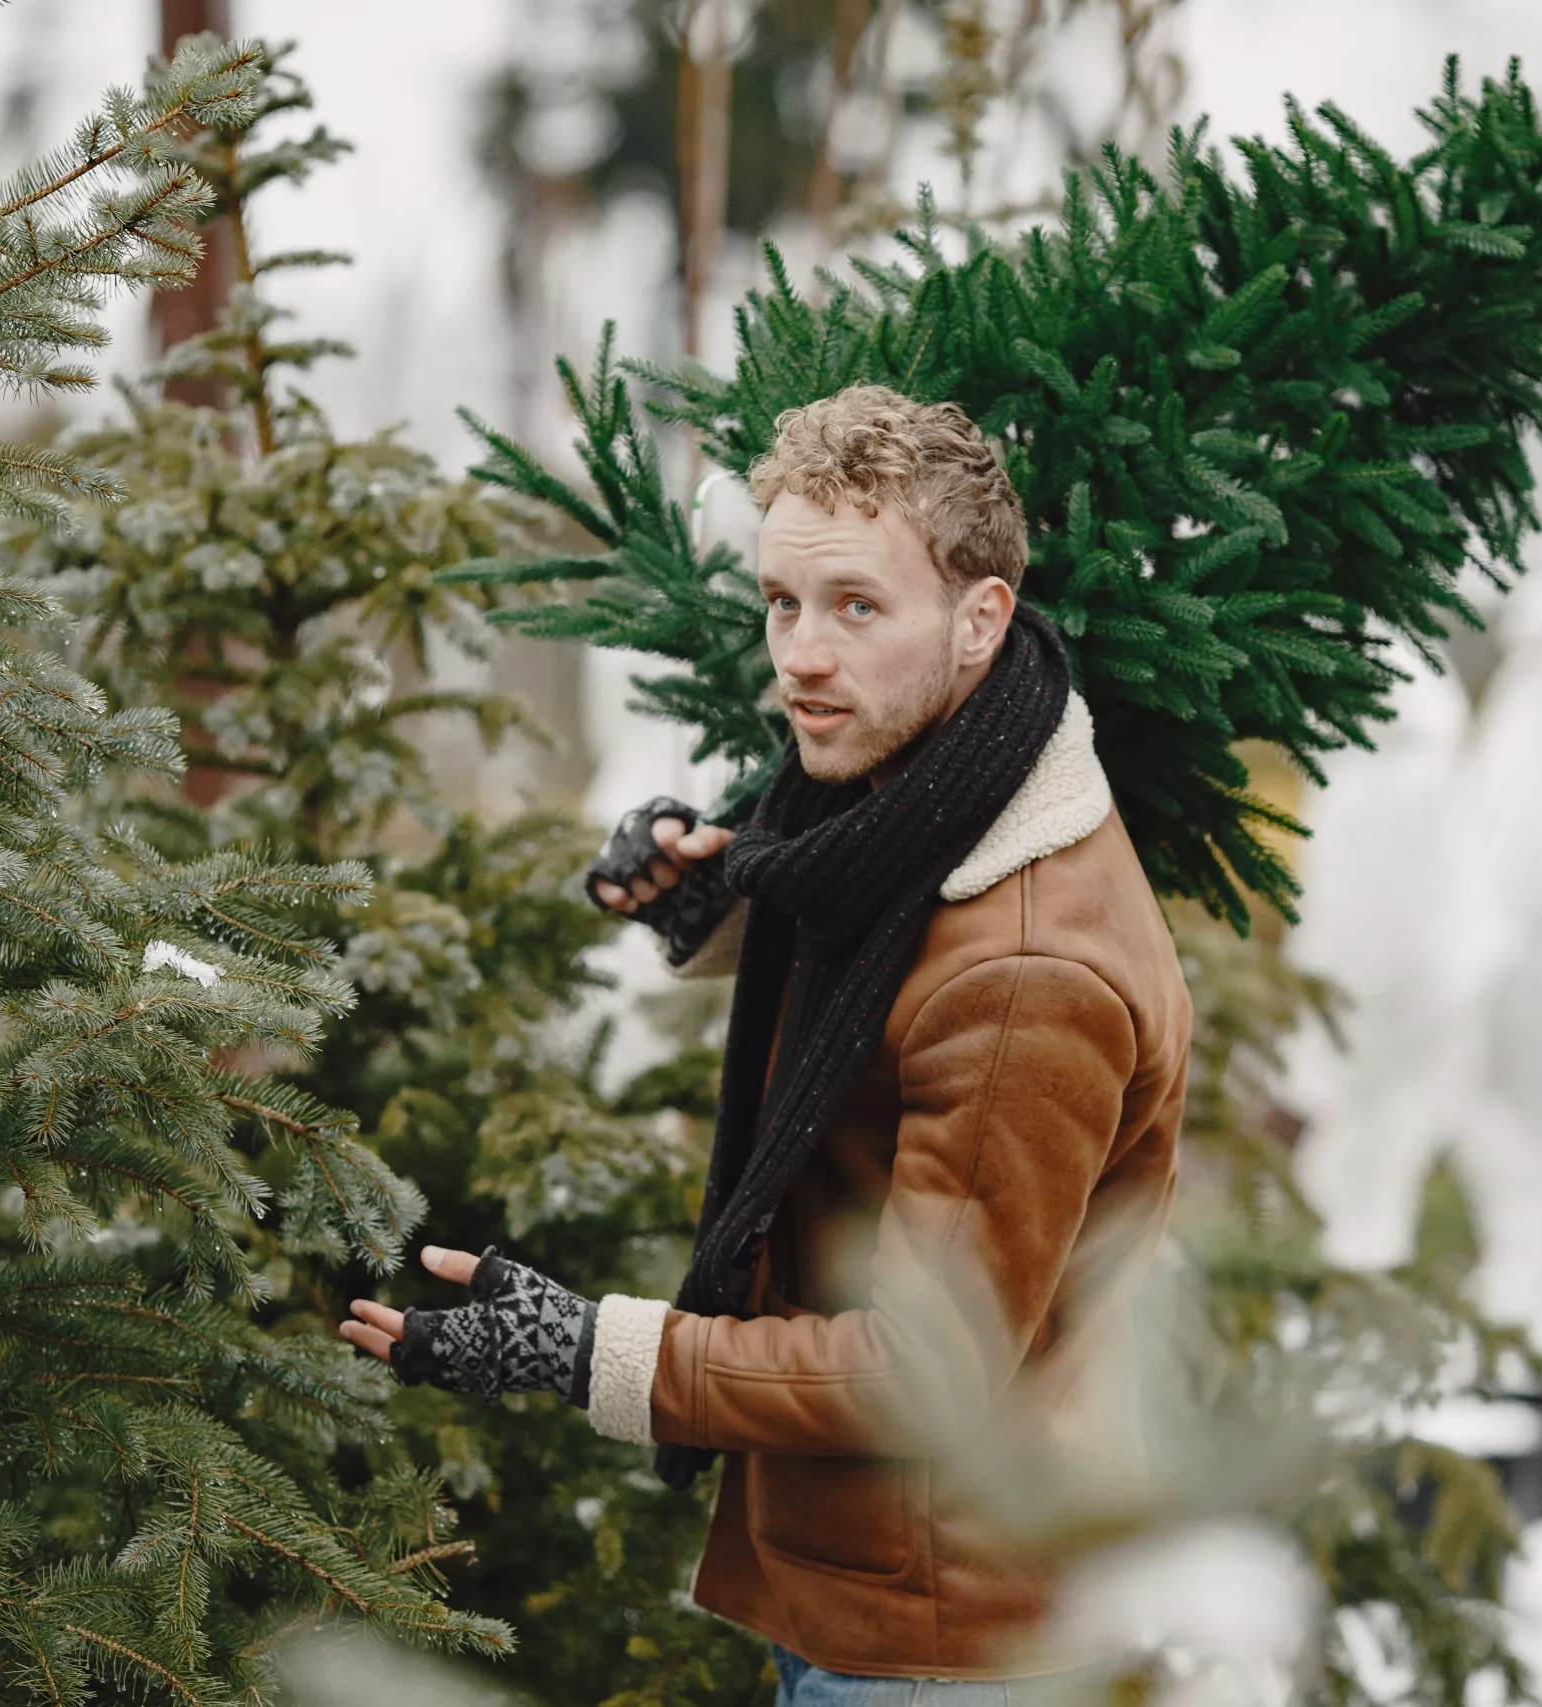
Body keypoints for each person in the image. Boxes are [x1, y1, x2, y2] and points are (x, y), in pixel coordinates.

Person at [340, 385, 1191, 1697]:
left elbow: (922, 1370)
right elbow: (884, 940)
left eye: (857, 606)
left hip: (939, 1631)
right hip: (887, 1578)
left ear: (981, 620)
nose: (799, 654)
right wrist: (731, 887)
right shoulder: (957, 792)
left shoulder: (1027, 982)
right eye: (783, 604)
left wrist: (593, 1351)